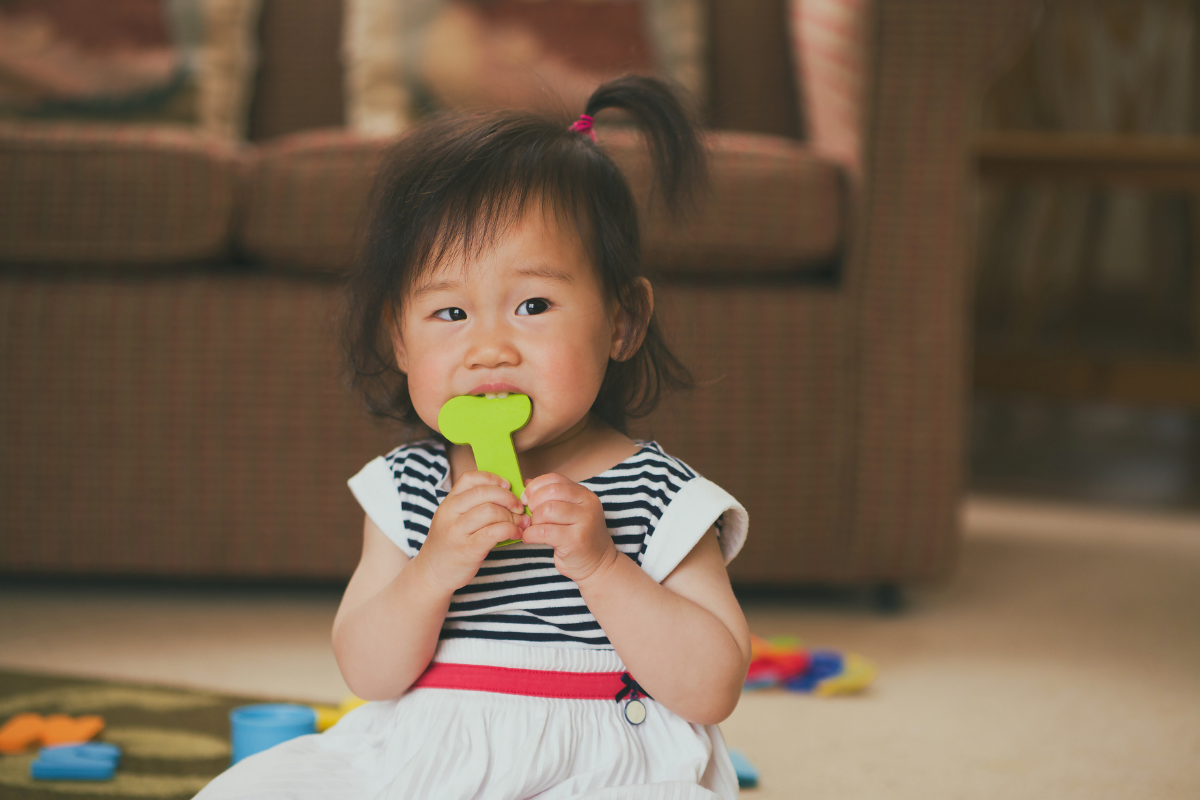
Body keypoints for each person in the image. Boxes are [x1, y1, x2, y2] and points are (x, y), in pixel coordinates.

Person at [196, 75, 750, 800]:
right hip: (424, 760)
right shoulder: (408, 488)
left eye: (532, 304)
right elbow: (369, 671)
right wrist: (432, 570)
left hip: (600, 763)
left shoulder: (660, 494)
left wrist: (604, 567)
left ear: (622, 322)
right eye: (449, 314)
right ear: (397, 338)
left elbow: (711, 687)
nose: (489, 348)